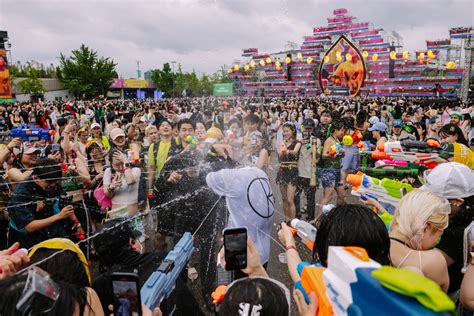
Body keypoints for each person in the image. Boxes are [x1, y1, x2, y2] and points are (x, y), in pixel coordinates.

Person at [419, 162, 474, 294]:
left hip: (450, 290)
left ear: (458, 201)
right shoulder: (457, 212)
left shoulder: (463, 228)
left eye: (436, 201)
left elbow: (429, 263)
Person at [7, 159, 78, 249]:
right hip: (28, 240)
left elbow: (66, 205)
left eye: (55, 182)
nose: (52, 185)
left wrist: (77, 224)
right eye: (49, 183)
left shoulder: (52, 183)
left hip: (52, 231)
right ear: (36, 177)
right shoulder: (21, 193)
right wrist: (59, 216)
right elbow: (29, 227)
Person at [389, 190, 451, 292]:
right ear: (427, 227)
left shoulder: (372, 239)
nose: (437, 241)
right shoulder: (433, 261)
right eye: (440, 234)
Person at [318, 120, 346, 218]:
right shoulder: (329, 140)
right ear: (335, 130)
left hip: (337, 170)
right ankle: (317, 219)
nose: (343, 132)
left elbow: (340, 155)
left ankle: (337, 216)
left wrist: (342, 153)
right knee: (328, 196)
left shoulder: (338, 140)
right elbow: (324, 155)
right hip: (329, 170)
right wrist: (332, 154)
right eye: (341, 130)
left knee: (342, 196)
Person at [277, 123, 301, 220]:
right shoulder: (282, 142)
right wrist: (281, 152)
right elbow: (279, 156)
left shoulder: (297, 142)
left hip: (292, 171)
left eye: (287, 131)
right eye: (284, 131)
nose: (285, 133)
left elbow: (295, 151)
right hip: (282, 171)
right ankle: (286, 220)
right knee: (284, 199)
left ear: (293, 131)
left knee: (290, 199)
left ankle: (293, 222)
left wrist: (288, 151)